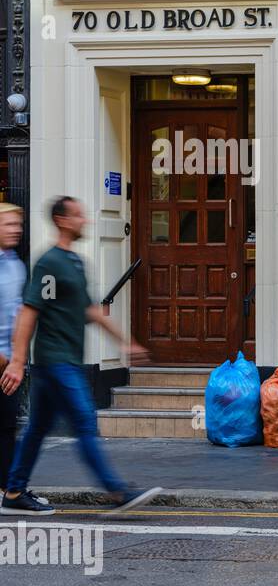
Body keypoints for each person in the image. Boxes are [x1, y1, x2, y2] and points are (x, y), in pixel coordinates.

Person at [0, 196, 160, 514]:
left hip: (64, 360)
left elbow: (90, 310)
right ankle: (116, 491)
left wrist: (125, 342)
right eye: (78, 216)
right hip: (55, 360)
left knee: (36, 429)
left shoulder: (74, 262)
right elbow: (29, 312)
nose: (84, 221)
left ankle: (14, 492)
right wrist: (17, 361)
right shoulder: (49, 264)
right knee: (85, 422)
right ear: (62, 221)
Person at [0, 204, 47, 512]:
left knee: (6, 427)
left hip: (10, 361)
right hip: (3, 361)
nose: (16, 229)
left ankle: (11, 489)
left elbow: (20, 312)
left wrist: (18, 356)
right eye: (9, 224)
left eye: (18, 224)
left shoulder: (15, 263)